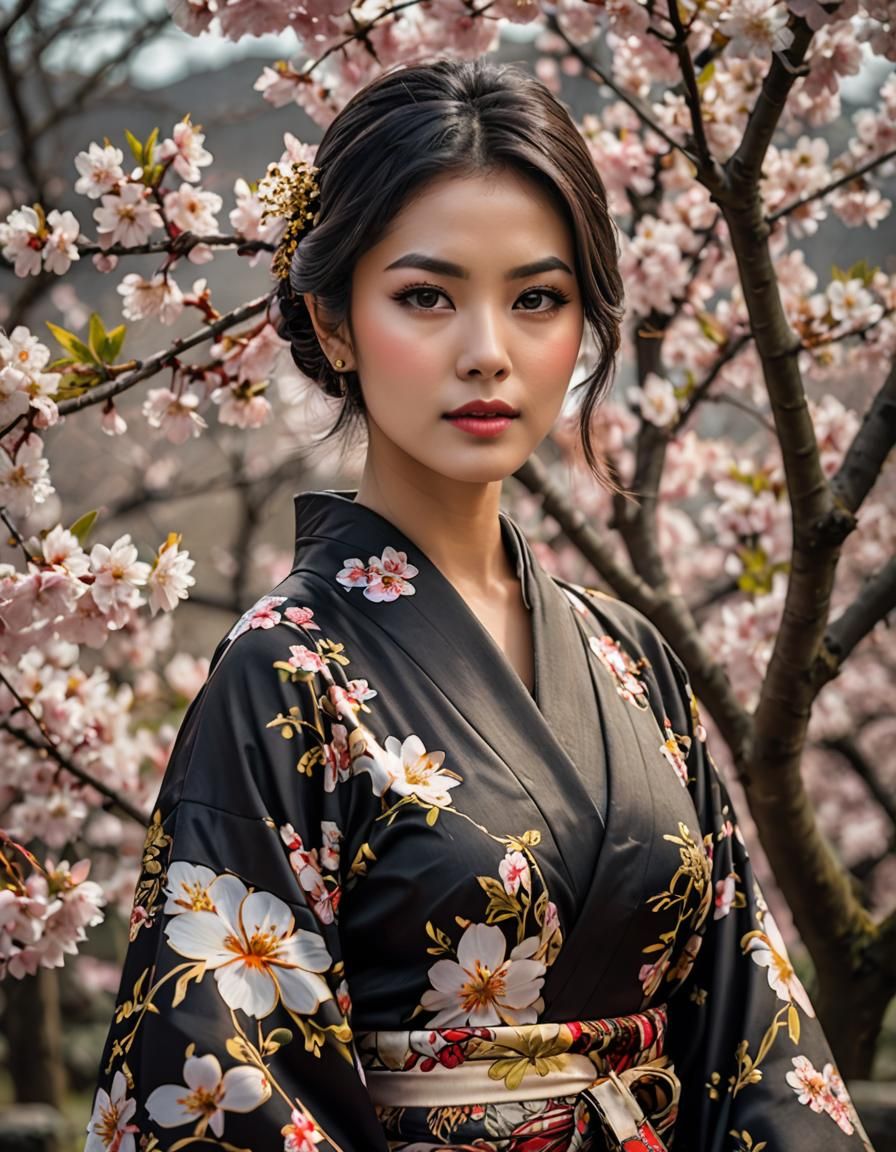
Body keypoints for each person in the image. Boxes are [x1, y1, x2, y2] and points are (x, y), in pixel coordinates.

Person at [85, 57, 874, 1152]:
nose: (486, 353)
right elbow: (224, 1082)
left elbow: (747, 1027)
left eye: (536, 300)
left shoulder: (628, 657)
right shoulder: (282, 674)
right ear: (335, 320)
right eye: (426, 297)